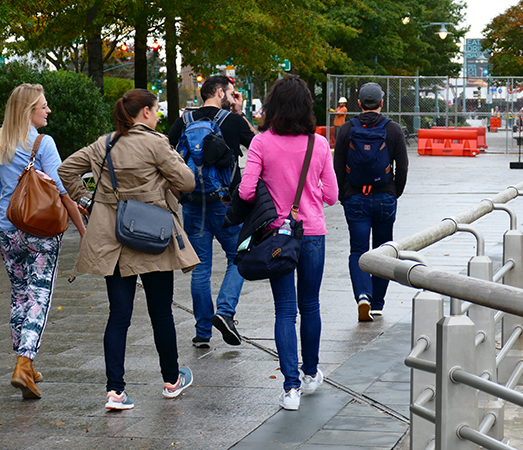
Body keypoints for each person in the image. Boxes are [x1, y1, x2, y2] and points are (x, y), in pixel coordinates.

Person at [58, 88, 199, 409]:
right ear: (145, 113)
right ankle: (171, 380)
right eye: (156, 108)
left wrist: (85, 201)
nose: (158, 113)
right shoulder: (155, 142)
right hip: (153, 236)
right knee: (161, 312)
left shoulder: (104, 144)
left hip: (113, 239)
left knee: (118, 315)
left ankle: (115, 391)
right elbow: (188, 181)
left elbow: (66, 169)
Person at [237, 76, 338, 411]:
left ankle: (290, 388)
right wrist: (311, 196)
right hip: (311, 234)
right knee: (310, 305)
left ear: (273, 107)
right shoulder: (319, 144)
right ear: (306, 107)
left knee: (284, 309)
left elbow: (246, 191)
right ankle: (310, 374)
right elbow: (333, 196)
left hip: (276, 237)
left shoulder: (261, 143)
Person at [0, 83, 86, 400]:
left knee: (20, 297)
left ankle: (26, 362)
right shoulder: (44, 143)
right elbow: (65, 191)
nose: (48, 110)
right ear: (29, 110)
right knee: (39, 298)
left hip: (8, 232)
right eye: (43, 105)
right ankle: (24, 362)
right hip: (40, 234)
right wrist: (85, 232)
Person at [168, 75, 256, 349]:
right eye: (231, 93)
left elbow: (168, 153)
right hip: (225, 204)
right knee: (240, 257)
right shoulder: (232, 121)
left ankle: (202, 331)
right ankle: (225, 311)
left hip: (193, 204)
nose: (233, 96)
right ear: (219, 93)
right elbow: (258, 147)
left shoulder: (184, 121)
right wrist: (239, 112)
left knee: (200, 268)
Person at [334, 82, 408, 322]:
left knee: (358, 250)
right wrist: (394, 192)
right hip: (385, 196)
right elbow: (403, 165)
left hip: (356, 197)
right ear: (381, 103)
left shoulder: (346, 129)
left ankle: (362, 295)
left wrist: (343, 195)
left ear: (358, 104)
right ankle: (377, 304)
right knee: (383, 251)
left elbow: (338, 167)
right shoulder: (393, 129)